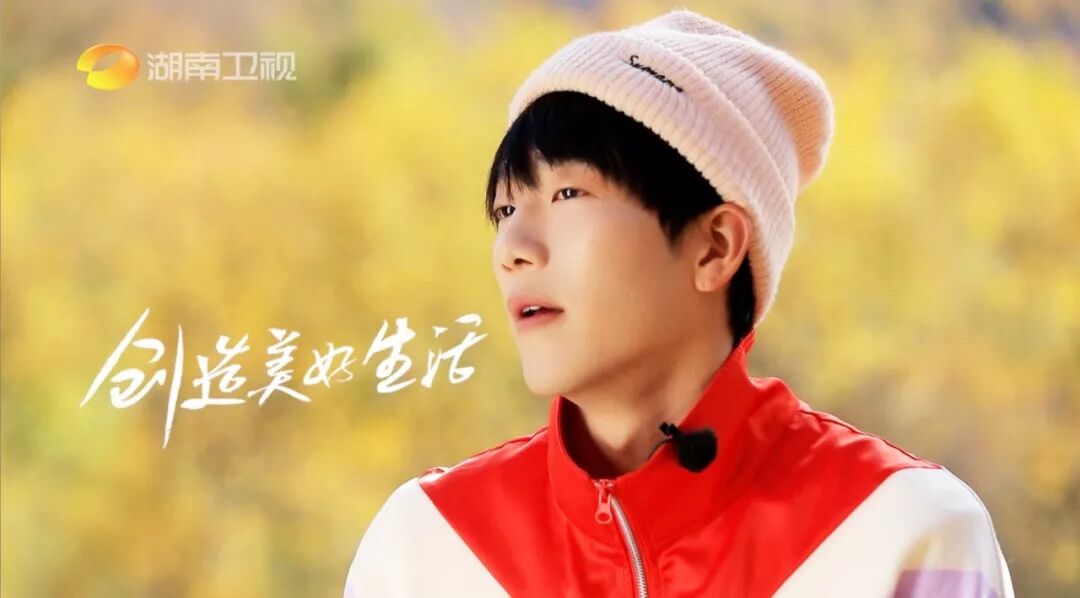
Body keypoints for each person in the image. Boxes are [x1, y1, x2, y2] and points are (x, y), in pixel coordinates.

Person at [344, 8, 1015, 597]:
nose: (512, 249)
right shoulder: (426, 548)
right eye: (505, 210)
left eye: (568, 194)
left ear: (714, 247)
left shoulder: (902, 532)